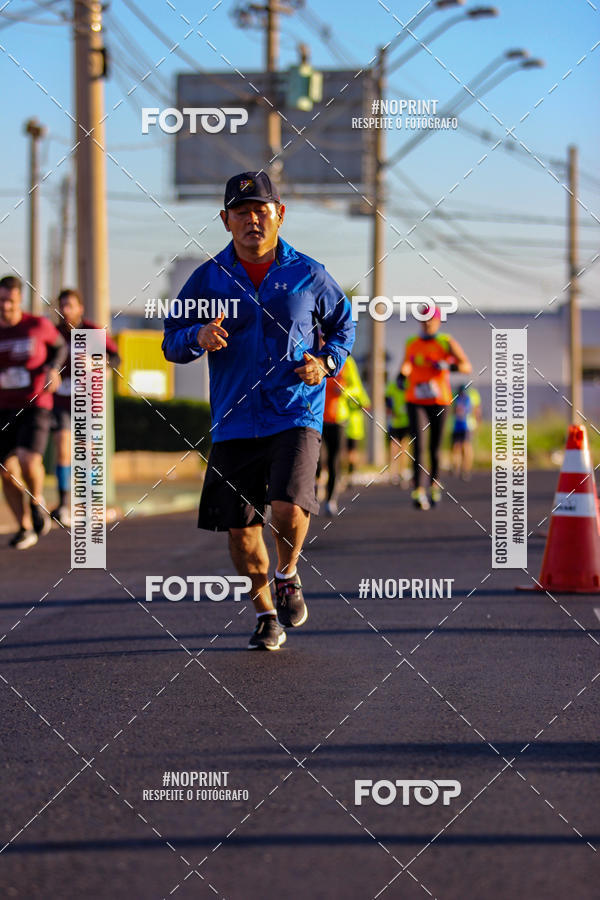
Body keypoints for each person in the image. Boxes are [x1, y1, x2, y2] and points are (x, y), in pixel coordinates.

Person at [162, 171, 355, 650]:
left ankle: (287, 572)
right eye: (242, 212)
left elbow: (343, 326)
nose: (252, 220)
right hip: (234, 420)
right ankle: (266, 613)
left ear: (279, 215)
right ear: (225, 220)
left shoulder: (308, 273)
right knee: (242, 532)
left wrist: (326, 362)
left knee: (289, 506)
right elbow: (171, 340)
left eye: (261, 211)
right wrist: (197, 336)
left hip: (294, 411)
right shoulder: (208, 278)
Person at [0, 275, 67, 548]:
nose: (5, 306)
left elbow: (60, 346)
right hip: (3, 406)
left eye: (10, 301)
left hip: (35, 404)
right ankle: (24, 526)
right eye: (1, 301)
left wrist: (53, 368)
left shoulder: (37, 325)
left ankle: (37, 500)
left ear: (20, 300)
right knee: (6, 470)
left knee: (28, 459)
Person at [51, 288, 120, 526]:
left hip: (87, 401)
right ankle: (63, 504)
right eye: (62, 305)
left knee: (87, 451)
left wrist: (98, 362)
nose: (65, 310)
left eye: (70, 305)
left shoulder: (93, 331)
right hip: (61, 400)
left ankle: (90, 505)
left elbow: (116, 357)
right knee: (63, 447)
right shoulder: (54, 333)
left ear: (80, 308)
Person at [401, 306, 471, 510]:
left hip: (439, 401)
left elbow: (467, 366)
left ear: (438, 321)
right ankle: (418, 490)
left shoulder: (446, 342)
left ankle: (434, 485)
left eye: (431, 319)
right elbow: (406, 364)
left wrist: (448, 366)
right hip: (416, 399)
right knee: (418, 445)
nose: (427, 323)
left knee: (435, 447)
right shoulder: (412, 342)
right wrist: (401, 376)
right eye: (423, 319)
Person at [343, 356, 370, 486]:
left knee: (351, 451)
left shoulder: (349, 363)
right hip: (346, 422)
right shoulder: (357, 388)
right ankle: (348, 474)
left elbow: (366, 404)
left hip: (352, 424)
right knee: (347, 450)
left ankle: (350, 474)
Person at [451, 383, 481, 480]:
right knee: (458, 447)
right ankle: (460, 469)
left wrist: (477, 423)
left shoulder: (467, 397)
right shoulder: (463, 397)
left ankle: (464, 469)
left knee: (464, 447)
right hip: (459, 426)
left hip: (465, 426)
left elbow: (476, 411)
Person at [385, 372, 411, 486]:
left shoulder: (409, 385)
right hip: (395, 422)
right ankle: (393, 473)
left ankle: (402, 472)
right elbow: (387, 400)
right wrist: (391, 411)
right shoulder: (392, 386)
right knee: (394, 448)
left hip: (406, 422)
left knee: (404, 448)